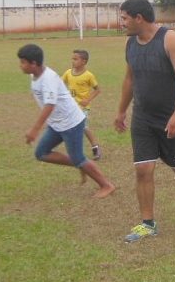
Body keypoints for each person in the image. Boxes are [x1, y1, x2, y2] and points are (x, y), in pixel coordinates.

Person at [114, 0, 175, 243]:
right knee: (143, 169)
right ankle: (148, 223)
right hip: (142, 118)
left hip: (171, 118)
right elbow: (130, 79)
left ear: (138, 18)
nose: (121, 23)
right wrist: (122, 110)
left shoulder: (169, 39)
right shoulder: (131, 43)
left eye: (124, 18)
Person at [18, 43, 116, 199]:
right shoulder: (34, 74)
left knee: (78, 157)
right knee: (41, 153)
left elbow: (50, 105)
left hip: (71, 122)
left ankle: (106, 185)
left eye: (23, 62)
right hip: (57, 124)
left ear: (34, 63)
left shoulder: (47, 79)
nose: (20, 65)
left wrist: (34, 130)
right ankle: (80, 164)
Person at [62, 49, 103, 161]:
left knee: (84, 127)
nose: (73, 61)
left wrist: (88, 100)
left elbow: (97, 90)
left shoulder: (88, 75)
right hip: (71, 107)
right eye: (72, 58)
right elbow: (60, 85)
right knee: (70, 128)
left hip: (83, 107)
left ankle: (95, 147)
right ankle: (74, 151)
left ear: (84, 61)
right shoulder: (68, 73)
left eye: (76, 59)